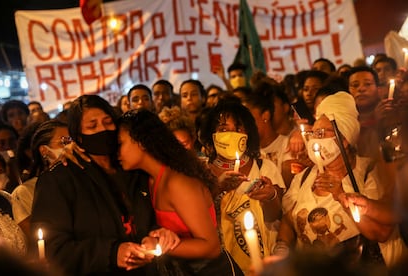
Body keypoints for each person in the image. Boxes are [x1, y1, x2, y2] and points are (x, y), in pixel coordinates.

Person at [30, 95, 178, 275]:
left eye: (108, 122)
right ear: (78, 136)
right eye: (92, 126)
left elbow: (149, 217)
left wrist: (156, 235)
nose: (103, 130)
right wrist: (112, 253)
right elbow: (53, 249)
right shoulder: (59, 179)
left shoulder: (131, 168)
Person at [274, 92, 404, 270]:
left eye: (322, 133)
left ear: (344, 138)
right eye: (313, 133)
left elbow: (380, 232)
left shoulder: (368, 172)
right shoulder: (304, 177)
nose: (314, 140)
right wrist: (281, 249)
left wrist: (340, 195)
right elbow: (289, 219)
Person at [118, 109, 242, 275]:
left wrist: (157, 246)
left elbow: (211, 247)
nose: (117, 153)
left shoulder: (177, 183)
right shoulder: (151, 180)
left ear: (140, 141)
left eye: (120, 144)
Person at [198, 96, 285, 274]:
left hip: (261, 264)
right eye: (223, 129)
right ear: (212, 134)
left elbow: (274, 217)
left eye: (238, 128)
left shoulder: (264, 166)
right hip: (218, 266)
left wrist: (269, 196)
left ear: (247, 133)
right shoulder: (200, 171)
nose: (232, 134)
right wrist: (216, 189)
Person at [12, 120, 70, 237]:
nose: (70, 147)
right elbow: (39, 239)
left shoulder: (86, 178)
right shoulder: (25, 192)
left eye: (73, 141)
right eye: (64, 142)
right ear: (44, 150)